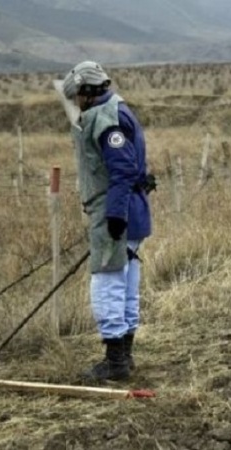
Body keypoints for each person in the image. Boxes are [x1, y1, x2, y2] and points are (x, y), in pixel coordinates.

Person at [61, 61, 153, 382]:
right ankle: (124, 357)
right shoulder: (118, 109)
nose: (76, 102)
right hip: (130, 210)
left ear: (87, 91)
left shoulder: (106, 119)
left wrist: (114, 215)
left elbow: (123, 169)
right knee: (126, 284)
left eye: (77, 96)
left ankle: (115, 362)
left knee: (107, 284)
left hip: (116, 213)